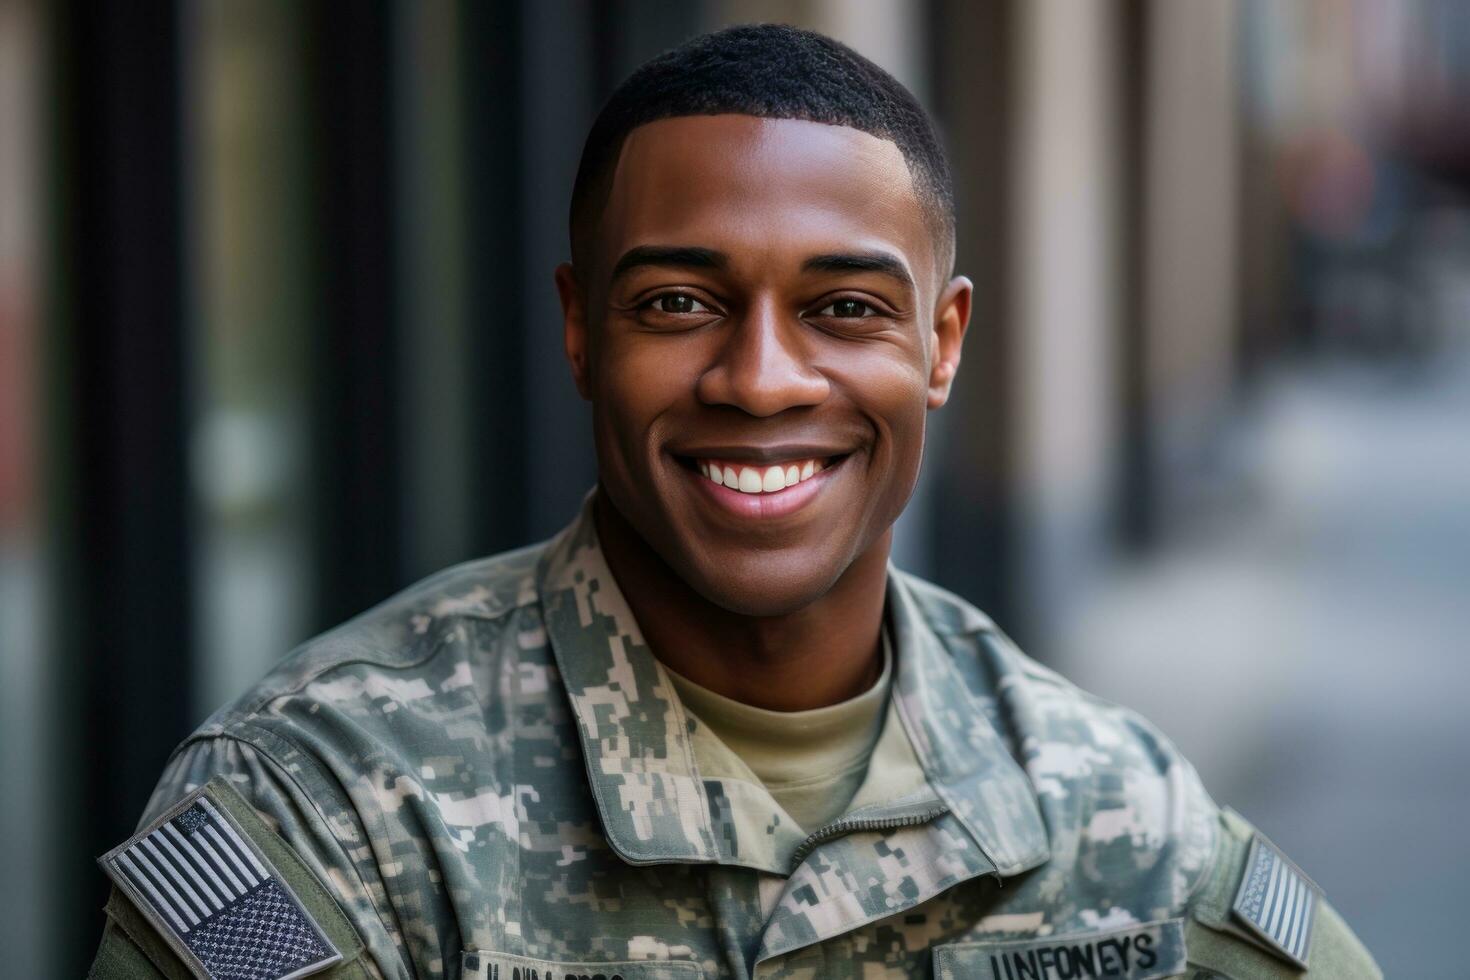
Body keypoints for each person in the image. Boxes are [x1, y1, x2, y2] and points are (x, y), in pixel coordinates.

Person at [88, 24, 1380, 980]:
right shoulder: (333, 802)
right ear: (580, 328)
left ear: (941, 345)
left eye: (844, 309)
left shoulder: (1116, 812)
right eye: (677, 304)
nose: (761, 379)